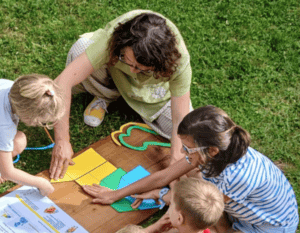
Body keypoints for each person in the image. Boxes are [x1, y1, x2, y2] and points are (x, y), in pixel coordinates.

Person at [83, 105, 300, 233]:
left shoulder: (235, 177)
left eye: (187, 148)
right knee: (187, 178)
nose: (182, 153)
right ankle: (216, 231)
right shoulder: (217, 153)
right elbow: (166, 175)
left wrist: (149, 228)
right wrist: (116, 194)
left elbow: (189, 209)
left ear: (212, 150)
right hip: (228, 211)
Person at [50, 10, 193, 179]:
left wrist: (176, 158)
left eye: (141, 69)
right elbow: (62, 82)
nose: (132, 71)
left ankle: (122, 98)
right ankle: (106, 95)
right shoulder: (113, 38)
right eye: (127, 60)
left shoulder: (178, 59)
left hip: (153, 96)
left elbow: (180, 118)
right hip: (113, 76)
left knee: (191, 136)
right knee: (80, 49)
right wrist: (62, 140)